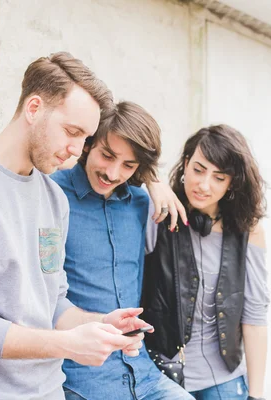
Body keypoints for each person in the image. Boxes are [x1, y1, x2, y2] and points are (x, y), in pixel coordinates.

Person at [0, 52, 149, 400]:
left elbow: (53, 304)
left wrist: (101, 325)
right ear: (34, 108)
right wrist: (68, 345)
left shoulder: (54, 198)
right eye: (72, 132)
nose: (76, 150)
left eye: (85, 139)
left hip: (50, 391)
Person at [51, 101, 193, 400]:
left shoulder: (142, 204)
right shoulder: (52, 194)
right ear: (89, 144)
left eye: (128, 165)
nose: (113, 173)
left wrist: (154, 182)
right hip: (80, 377)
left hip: (142, 372)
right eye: (107, 155)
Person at [142, 124, 269, 400]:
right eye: (198, 170)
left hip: (225, 380)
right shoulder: (158, 215)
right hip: (162, 376)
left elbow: (255, 315)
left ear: (232, 183)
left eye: (218, 177)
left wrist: (256, 395)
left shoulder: (249, 230)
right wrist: (152, 182)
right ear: (185, 164)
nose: (203, 184)